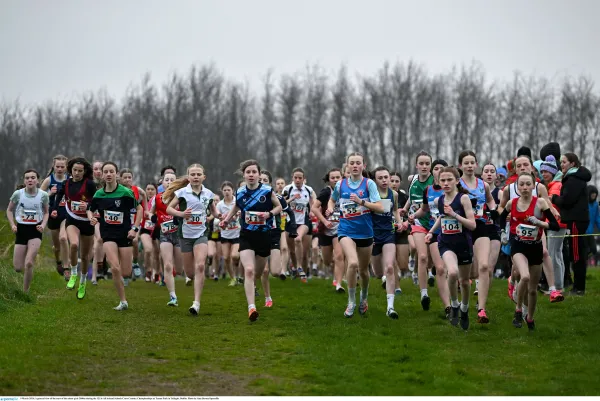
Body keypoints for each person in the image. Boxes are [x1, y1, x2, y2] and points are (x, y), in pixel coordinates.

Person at [220, 159, 283, 322]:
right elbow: (237, 207)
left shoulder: (267, 191)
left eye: (254, 172)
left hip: (264, 235)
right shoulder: (240, 192)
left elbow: (279, 208)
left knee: (257, 272)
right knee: (248, 269)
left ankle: (256, 290)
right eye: (248, 172)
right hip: (247, 235)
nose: (251, 175)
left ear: (259, 174)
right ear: (244, 175)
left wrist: (268, 214)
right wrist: (227, 219)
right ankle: (251, 307)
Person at [498, 172, 560, 330]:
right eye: (521, 184)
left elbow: (554, 225)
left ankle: (530, 318)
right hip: (518, 246)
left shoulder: (540, 203)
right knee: (524, 276)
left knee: (532, 290)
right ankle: (518, 310)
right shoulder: (512, 203)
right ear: (517, 187)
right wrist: (504, 233)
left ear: (534, 186)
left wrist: (539, 223)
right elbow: (500, 219)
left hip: (535, 247)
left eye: (528, 184)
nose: (525, 187)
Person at [328, 152, 384, 318]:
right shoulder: (340, 184)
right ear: (347, 166)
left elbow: (380, 207)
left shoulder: (369, 184)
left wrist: (362, 202)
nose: (354, 166)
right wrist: (331, 207)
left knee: (364, 271)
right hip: (346, 230)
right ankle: (351, 301)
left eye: (358, 163)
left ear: (363, 166)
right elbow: (332, 199)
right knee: (352, 263)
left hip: (365, 232)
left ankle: (364, 298)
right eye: (351, 163)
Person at [425, 167, 476, 330]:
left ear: (456, 181)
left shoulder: (464, 199)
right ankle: (454, 305)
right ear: (438, 182)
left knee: (465, 282)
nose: (446, 183)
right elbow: (441, 217)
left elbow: (472, 225)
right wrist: (431, 232)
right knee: (452, 272)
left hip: (463, 244)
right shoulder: (439, 201)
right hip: (446, 243)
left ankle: (465, 309)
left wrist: (454, 214)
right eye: (443, 180)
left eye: (449, 180)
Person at [165, 164, 217, 315]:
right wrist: (182, 214)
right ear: (188, 177)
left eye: (198, 174)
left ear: (203, 177)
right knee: (189, 273)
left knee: (200, 265)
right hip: (185, 235)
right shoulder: (182, 192)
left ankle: (196, 303)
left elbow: (214, 211)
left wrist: (221, 217)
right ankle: (194, 279)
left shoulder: (209, 193)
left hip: (201, 234)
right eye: (192, 174)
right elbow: (169, 209)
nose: (195, 177)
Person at [88, 162, 142, 310]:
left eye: (111, 171)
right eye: (106, 172)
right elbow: (89, 209)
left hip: (125, 234)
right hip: (108, 235)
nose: (109, 174)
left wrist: (134, 229)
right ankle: (123, 301)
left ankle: (126, 275)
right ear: (103, 175)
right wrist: (91, 217)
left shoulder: (125, 192)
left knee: (126, 272)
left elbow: (140, 209)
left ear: (116, 174)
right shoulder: (99, 194)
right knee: (115, 267)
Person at [54, 157, 98, 299]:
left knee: (85, 257)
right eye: (75, 170)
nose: (77, 173)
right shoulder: (67, 183)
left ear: (84, 171)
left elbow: (97, 201)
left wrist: (89, 206)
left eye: (80, 171)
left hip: (87, 222)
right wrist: (55, 208)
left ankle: (83, 282)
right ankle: (73, 273)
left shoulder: (90, 184)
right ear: (70, 170)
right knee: (73, 244)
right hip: (72, 220)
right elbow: (59, 194)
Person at [552, 153, 592, 295]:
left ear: (573, 164)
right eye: (561, 162)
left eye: (564, 162)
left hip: (576, 220)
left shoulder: (573, 179)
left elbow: (567, 200)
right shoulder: (575, 178)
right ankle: (577, 286)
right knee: (577, 252)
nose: (561, 164)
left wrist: (554, 198)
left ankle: (578, 288)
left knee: (576, 254)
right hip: (576, 220)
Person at [6, 170, 50, 293]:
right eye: (27, 178)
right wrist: (12, 224)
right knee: (18, 268)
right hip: (21, 229)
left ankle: (26, 292)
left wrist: (43, 225)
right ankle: (23, 262)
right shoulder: (18, 194)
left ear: (37, 180)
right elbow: (9, 210)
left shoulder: (43, 195)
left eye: (32, 178)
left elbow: (46, 212)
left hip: (35, 230)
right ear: (24, 180)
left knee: (29, 263)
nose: (30, 180)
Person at [540, 156, 569, 294]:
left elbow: (554, 205)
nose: (544, 174)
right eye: (542, 171)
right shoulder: (553, 185)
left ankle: (557, 288)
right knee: (558, 255)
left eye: (546, 171)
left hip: (557, 224)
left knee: (553, 256)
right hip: (558, 224)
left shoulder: (556, 186)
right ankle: (560, 285)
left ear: (553, 172)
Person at [40, 155, 69, 278]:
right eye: (57, 166)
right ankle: (58, 262)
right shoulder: (48, 180)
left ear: (66, 167)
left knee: (64, 238)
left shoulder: (69, 179)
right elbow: (39, 197)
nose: (60, 169)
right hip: (52, 214)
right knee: (57, 247)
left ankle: (67, 268)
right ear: (54, 166)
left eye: (62, 166)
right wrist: (50, 193)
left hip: (66, 214)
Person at [586, 185, 600, 267]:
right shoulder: (583, 204)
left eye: (595, 196)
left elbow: (597, 219)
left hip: (590, 232)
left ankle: (585, 259)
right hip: (582, 232)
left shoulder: (595, 205)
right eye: (592, 195)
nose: (594, 197)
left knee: (593, 249)